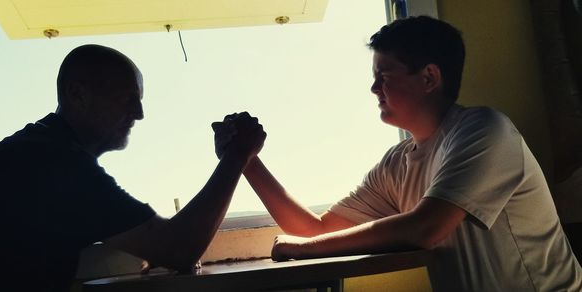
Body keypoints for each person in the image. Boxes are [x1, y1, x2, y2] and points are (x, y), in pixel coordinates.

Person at [213, 16, 582, 291]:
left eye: (384, 76)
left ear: (429, 78)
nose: (374, 89)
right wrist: (246, 160)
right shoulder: (396, 163)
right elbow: (316, 230)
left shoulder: (485, 130)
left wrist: (303, 250)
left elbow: (426, 227)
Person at [0, 44, 266, 291]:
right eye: (128, 99)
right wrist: (237, 155)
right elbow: (180, 249)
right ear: (77, 93)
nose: (140, 114)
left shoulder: (36, 150)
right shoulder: (57, 165)